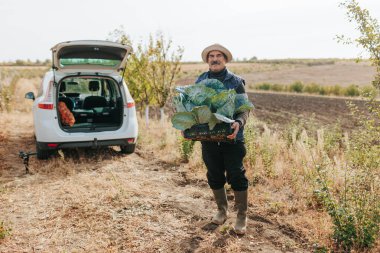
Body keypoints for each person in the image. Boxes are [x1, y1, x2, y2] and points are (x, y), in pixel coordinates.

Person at [195, 43, 250, 235]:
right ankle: (221, 210)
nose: (215, 59)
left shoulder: (235, 82)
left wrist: (238, 123)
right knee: (214, 174)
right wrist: (188, 126)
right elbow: (193, 108)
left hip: (232, 137)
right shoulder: (200, 80)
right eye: (211, 56)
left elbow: (244, 109)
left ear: (225, 60)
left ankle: (242, 215)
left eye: (219, 56)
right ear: (207, 60)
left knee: (236, 175)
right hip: (208, 137)